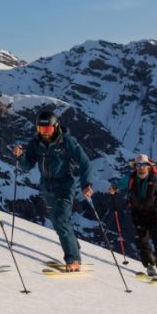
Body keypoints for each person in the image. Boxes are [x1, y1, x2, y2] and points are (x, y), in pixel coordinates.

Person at [12, 110, 93, 271]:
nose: (45, 134)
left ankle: (73, 259)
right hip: (46, 189)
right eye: (41, 130)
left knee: (61, 220)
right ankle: (74, 246)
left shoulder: (67, 141)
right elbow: (27, 165)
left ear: (55, 127)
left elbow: (85, 162)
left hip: (65, 186)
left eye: (48, 130)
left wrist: (86, 184)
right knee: (58, 222)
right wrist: (20, 157)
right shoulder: (36, 143)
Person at [108, 154, 157, 278]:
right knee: (142, 240)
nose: (141, 168)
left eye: (143, 165)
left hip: (155, 214)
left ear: (148, 167)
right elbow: (117, 186)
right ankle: (151, 266)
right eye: (138, 165)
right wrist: (113, 189)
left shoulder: (156, 180)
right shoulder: (129, 179)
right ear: (135, 167)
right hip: (138, 213)